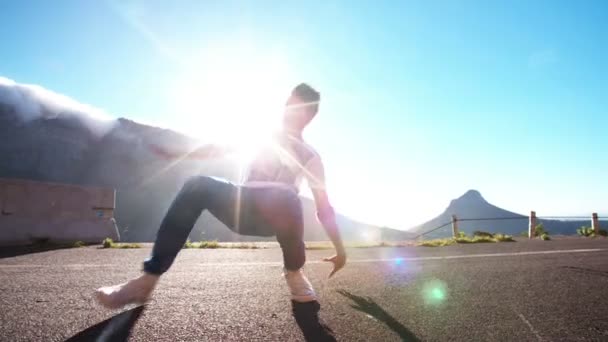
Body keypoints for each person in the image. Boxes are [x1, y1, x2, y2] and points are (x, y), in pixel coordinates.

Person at [95, 83, 347, 310]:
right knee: (196, 184)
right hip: (242, 205)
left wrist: (340, 250)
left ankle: (294, 273)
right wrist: (176, 154)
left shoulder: (311, 156)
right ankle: (147, 280)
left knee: (288, 197)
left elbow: (323, 208)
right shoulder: (263, 136)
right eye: (288, 103)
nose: (289, 110)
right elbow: (217, 148)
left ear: (310, 116)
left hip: (276, 216)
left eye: (298, 107)